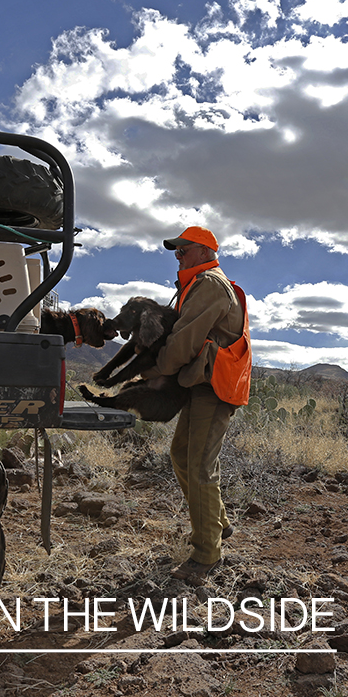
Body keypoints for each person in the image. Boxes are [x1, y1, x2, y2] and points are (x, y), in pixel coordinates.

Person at [140, 225, 251, 584]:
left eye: (183, 250)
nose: (178, 257)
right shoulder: (198, 284)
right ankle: (218, 523)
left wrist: (152, 370)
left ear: (204, 252)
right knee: (182, 454)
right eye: (176, 252)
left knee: (201, 466)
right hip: (202, 384)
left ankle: (206, 555)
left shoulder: (210, 285)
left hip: (214, 386)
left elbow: (185, 339)